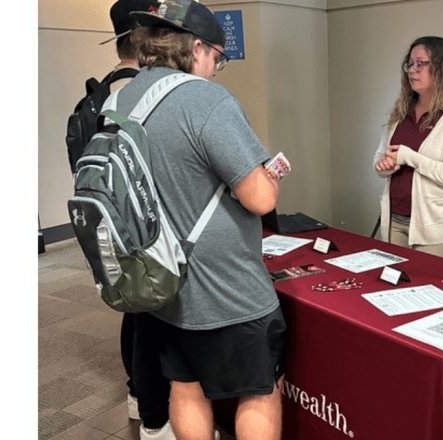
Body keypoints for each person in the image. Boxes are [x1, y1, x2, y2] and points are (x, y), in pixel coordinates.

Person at [117, 1, 287, 439]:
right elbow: (260, 198)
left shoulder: (126, 97)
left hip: (162, 279)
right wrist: (267, 178)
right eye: (216, 57)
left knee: (186, 385)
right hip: (226, 287)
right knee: (259, 388)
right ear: (196, 48)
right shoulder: (205, 99)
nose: (215, 68)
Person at [101, 2, 176, 440]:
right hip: (152, 235)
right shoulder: (145, 94)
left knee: (137, 319)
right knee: (154, 327)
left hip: (119, 227)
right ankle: (154, 418)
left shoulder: (107, 94)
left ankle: (140, 401)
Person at [373, 36, 443, 259]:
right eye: (409, 64)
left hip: (435, 232)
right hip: (394, 223)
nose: (412, 70)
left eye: (420, 64)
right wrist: (386, 165)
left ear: (441, 68)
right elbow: (380, 161)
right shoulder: (402, 112)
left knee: (429, 292)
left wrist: (410, 157)